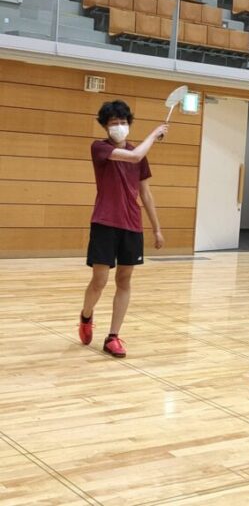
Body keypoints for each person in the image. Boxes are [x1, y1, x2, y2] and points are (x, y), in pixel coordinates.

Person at [78, 99, 168, 358]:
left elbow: (146, 194)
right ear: (105, 126)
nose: (119, 126)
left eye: (123, 122)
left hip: (132, 225)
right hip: (104, 222)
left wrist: (156, 228)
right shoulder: (100, 148)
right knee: (100, 281)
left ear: (129, 124)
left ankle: (113, 337)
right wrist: (155, 133)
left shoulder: (139, 154)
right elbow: (135, 155)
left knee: (124, 280)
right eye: (113, 123)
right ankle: (86, 316)